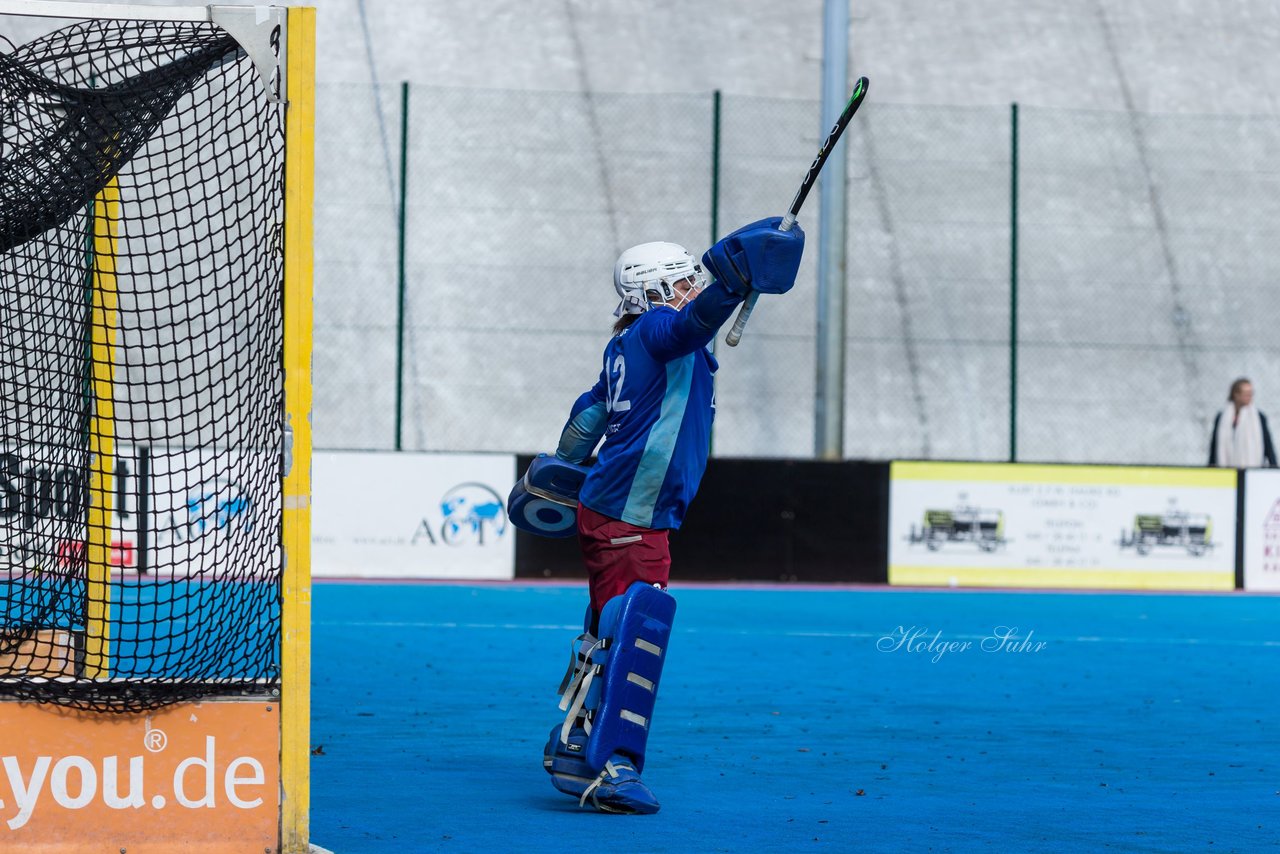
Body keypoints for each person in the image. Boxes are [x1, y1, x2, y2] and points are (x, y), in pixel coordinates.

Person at [533, 219, 805, 814]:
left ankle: (576, 739)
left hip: (614, 508)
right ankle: (613, 766)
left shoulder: (622, 345)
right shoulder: (659, 329)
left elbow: (587, 416)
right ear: (650, 293)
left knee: (607, 625)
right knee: (635, 632)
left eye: (690, 282)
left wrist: (556, 469)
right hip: (633, 513)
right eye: (678, 283)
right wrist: (730, 285)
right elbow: (692, 321)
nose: (687, 290)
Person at [1209, 377, 1277, 468]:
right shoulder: (1222, 418)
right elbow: (1215, 447)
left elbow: (1268, 446)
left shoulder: (1259, 417)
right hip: (1227, 469)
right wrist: (1210, 467)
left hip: (1252, 470)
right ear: (1236, 394)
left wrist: (1274, 466)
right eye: (1246, 393)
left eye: (1251, 393)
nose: (1249, 396)